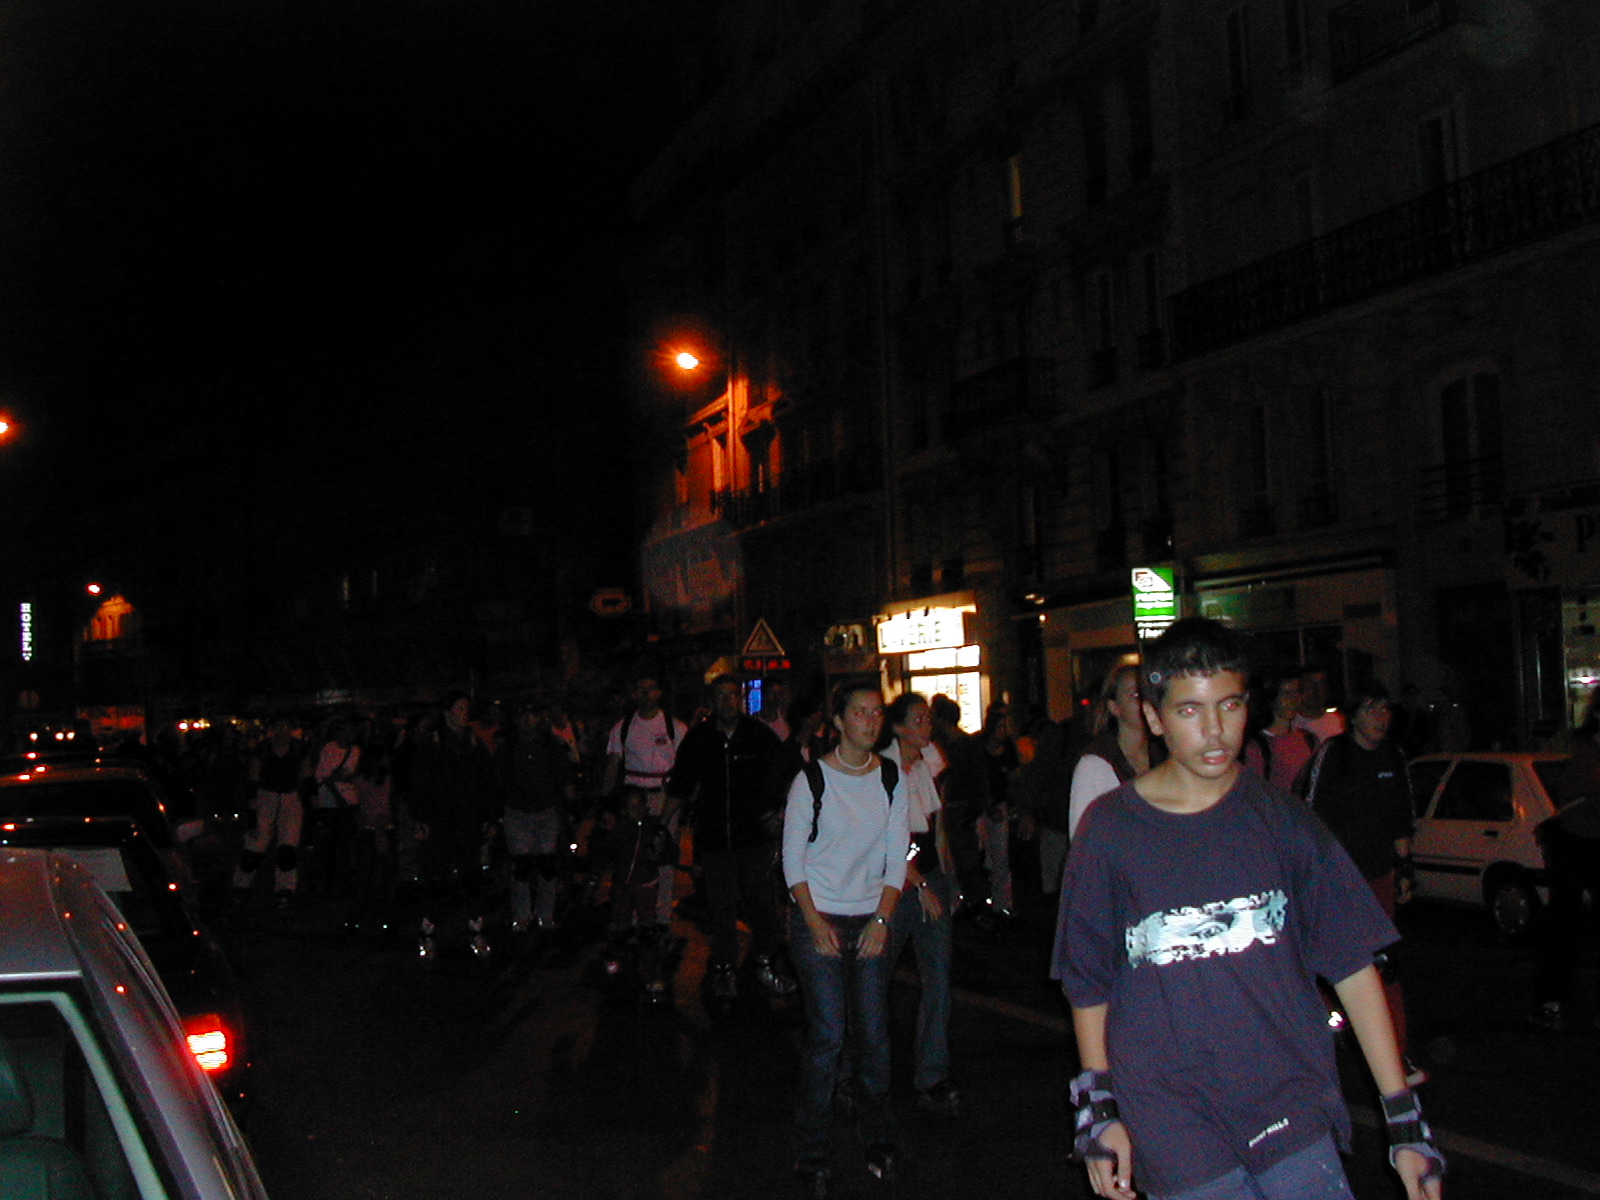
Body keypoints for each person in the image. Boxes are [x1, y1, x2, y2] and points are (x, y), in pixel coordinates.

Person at [1053, 618, 1444, 1200]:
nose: (1214, 730)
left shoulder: (1283, 820)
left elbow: (1352, 965)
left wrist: (1403, 1117)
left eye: (1229, 705)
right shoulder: (1110, 829)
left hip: (1288, 1096)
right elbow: (1088, 980)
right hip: (1170, 1113)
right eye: (1190, 710)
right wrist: (1099, 1109)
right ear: (1155, 718)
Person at [782, 682, 910, 1196]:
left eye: (876, 713)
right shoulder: (812, 780)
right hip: (819, 915)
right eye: (859, 712)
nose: (870, 721)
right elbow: (793, 860)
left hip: (871, 916)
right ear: (837, 721)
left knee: (874, 1035)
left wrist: (882, 920)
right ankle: (811, 1149)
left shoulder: (890, 776)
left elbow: (897, 853)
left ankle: (878, 1138)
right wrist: (815, 923)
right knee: (829, 1035)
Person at [1300, 681, 1423, 1082]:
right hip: (1339, 879)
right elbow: (1311, 816)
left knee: (1385, 964)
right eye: (1370, 709)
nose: (1379, 718)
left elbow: (1401, 820)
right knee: (1336, 961)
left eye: (1384, 709)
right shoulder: (1334, 755)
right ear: (1352, 716)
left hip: (1379, 875)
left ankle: (1395, 1053)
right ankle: (1323, 1031)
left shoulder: (1393, 756)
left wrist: (1405, 870)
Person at [665, 675, 791, 1000]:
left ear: (742, 699)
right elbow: (681, 783)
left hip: (754, 837)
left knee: (761, 903)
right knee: (721, 907)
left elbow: (784, 774)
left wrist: (777, 812)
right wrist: (662, 825)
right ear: (712, 700)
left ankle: (765, 962)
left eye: (733, 695)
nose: (727, 701)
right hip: (714, 837)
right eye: (721, 695)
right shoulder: (699, 738)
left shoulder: (759, 736)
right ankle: (723, 967)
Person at [880, 692, 960, 1117]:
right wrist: (919, 883)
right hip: (895, 885)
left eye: (928, 719)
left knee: (938, 978)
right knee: (875, 977)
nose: (926, 726)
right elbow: (886, 839)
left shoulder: (931, 763)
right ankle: (860, 1068)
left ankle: (931, 1073)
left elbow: (936, 825)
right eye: (917, 719)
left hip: (930, 878)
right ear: (897, 727)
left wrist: (947, 876)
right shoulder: (882, 770)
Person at [1529, 714, 1600, 1030]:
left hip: (1589, 837)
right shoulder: (1582, 749)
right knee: (1564, 922)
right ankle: (1550, 999)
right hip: (1574, 840)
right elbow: (1577, 792)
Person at [603, 675, 690, 927]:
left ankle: (660, 918)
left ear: (659, 693)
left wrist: (682, 800)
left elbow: (685, 768)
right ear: (634, 694)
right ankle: (632, 915)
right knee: (632, 854)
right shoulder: (623, 727)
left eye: (651, 689)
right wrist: (606, 803)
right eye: (640, 689)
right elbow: (613, 765)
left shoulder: (675, 727)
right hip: (633, 797)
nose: (646, 694)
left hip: (664, 795)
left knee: (663, 854)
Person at [497, 701, 577, 934]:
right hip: (517, 811)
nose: (527, 720)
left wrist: (572, 808)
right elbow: (497, 780)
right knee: (521, 866)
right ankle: (521, 915)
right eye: (523, 716)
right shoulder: (508, 747)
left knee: (547, 865)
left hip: (546, 810)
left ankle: (545, 914)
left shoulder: (550, 745)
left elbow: (565, 777)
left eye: (531, 716)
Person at [1067, 664, 1154, 840]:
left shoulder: (1168, 757)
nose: (1145, 702)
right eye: (1135, 695)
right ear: (1114, 707)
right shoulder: (1094, 765)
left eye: (1149, 693)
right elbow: (1082, 840)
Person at [232, 714, 308, 908]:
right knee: (253, 850)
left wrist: (312, 808)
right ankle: (240, 887)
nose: (282, 731)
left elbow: (307, 777)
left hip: (290, 798)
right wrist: (251, 815)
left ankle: (285, 890)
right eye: (278, 727)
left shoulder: (299, 747)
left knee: (287, 852)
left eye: (286, 726)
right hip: (266, 797)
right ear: (272, 729)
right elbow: (252, 780)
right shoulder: (263, 748)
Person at [1242, 673, 1317, 794]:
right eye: (1286, 694)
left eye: (1297, 692)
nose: (1293, 700)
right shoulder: (1259, 747)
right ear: (1273, 698)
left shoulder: (1309, 740)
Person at [1296, 666, 1347, 743]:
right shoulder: (1290, 724)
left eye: (1321, 684)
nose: (1316, 690)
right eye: (1310, 684)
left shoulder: (1340, 722)